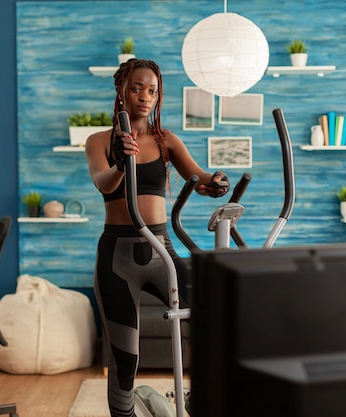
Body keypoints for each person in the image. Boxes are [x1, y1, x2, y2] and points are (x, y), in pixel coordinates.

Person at [85, 58, 229, 417]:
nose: (145, 96)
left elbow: (199, 176)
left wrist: (216, 183)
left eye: (152, 90)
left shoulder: (166, 140)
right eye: (136, 88)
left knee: (212, 315)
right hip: (117, 257)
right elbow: (102, 182)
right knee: (125, 355)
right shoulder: (99, 141)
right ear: (121, 91)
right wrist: (121, 162)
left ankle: (203, 396)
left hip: (160, 249)